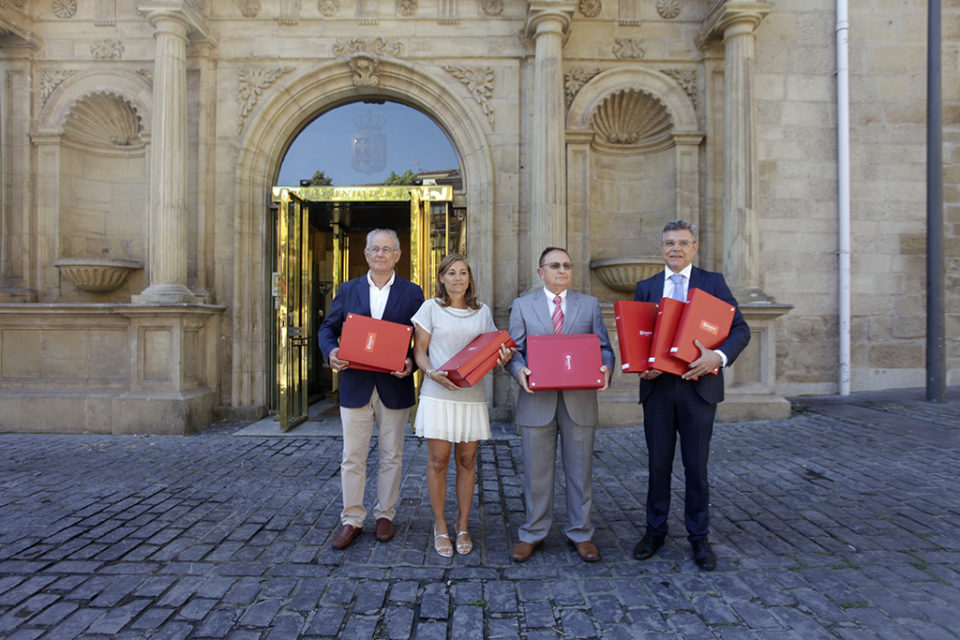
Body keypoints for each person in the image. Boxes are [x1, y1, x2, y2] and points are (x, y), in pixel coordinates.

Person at [632, 219, 750, 571]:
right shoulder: (647, 287)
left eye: (682, 243)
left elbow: (739, 329)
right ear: (661, 247)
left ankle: (699, 537)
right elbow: (638, 336)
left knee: (696, 467)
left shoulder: (712, 283)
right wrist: (641, 364)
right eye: (669, 243)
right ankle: (655, 531)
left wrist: (719, 356)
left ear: (694, 247)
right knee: (657, 465)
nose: (675, 249)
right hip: (658, 389)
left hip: (699, 388)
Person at [505, 247, 615, 563]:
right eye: (555, 265)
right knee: (535, 473)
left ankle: (581, 534)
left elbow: (604, 348)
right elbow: (513, 351)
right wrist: (518, 370)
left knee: (580, 471)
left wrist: (606, 366)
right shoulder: (523, 306)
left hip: (579, 401)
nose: (562, 270)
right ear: (541, 272)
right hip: (536, 400)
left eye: (567, 265)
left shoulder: (589, 305)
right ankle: (532, 533)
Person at [317, 228, 424, 550]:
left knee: (392, 455)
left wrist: (411, 363)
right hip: (355, 385)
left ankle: (385, 515)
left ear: (397, 255)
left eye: (387, 249)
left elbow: (420, 340)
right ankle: (351, 519)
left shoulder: (413, 292)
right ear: (365, 254)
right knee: (353, 456)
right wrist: (331, 352)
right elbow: (328, 328)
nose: (380, 254)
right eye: (375, 249)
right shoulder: (348, 290)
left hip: (394, 385)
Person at [411, 253, 514, 558]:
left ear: (469, 278)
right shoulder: (430, 308)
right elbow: (419, 351)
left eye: (463, 273)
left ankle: (463, 525)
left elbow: (491, 349)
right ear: (441, 278)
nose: (457, 278)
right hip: (438, 392)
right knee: (438, 461)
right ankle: (440, 525)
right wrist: (431, 372)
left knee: (467, 461)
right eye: (451, 273)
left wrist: (502, 356)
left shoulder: (481, 312)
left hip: (470, 395)